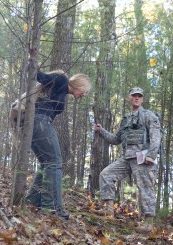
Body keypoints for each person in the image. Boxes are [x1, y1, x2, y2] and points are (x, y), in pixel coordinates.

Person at [25, 69, 91, 220]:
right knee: (54, 162)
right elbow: (42, 77)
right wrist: (33, 64)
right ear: (79, 85)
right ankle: (52, 207)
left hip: (37, 123)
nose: (84, 95)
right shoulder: (61, 80)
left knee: (46, 163)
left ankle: (32, 201)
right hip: (40, 121)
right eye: (84, 91)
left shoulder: (62, 90)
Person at [93, 87, 161, 231]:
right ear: (129, 98)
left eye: (139, 96)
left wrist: (151, 156)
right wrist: (101, 131)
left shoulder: (149, 116)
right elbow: (116, 139)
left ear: (142, 99)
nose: (136, 98)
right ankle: (108, 209)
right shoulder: (125, 120)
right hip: (128, 158)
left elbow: (156, 137)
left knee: (146, 188)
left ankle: (148, 223)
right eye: (134, 96)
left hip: (143, 158)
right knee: (106, 174)